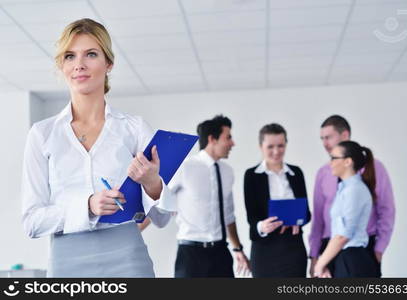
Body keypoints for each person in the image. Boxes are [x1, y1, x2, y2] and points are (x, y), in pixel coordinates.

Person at [21, 18, 175, 277]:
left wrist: (152, 183)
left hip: (128, 258)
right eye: (70, 56)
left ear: (109, 63)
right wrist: (88, 206)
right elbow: (32, 221)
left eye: (91, 54)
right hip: (67, 263)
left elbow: (162, 218)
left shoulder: (134, 128)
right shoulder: (42, 134)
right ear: (62, 65)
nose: (79, 64)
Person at [309, 115, 395, 277]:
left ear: (344, 135)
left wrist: (379, 250)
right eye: (322, 138)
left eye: (328, 137)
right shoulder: (339, 183)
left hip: (353, 252)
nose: (324, 143)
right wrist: (316, 256)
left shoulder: (355, 188)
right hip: (333, 250)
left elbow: (344, 234)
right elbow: (319, 218)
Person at [170, 115, 250, 277]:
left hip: (221, 253)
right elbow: (157, 198)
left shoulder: (227, 172)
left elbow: (228, 216)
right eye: (228, 137)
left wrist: (238, 248)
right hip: (191, 255)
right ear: (212, 139)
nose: (232, 143)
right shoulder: (185, 168)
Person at [243, 123, 311, 277]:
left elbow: (307, 213)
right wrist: (262, 226)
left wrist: (297, 220)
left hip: (293, 249)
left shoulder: (296, 173)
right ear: (261, 146)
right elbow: (252, 218)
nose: (276, 151)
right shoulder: (252, 176)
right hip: (264, 250)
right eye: (270, 147)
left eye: (280, 146)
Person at [314, 141, 379, 277]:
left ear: (348, 162)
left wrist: (320, 264)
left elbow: (343, 235)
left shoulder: (354, 190)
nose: (330, 163)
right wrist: (326, 263)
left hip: (353, 261)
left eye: (334, 158)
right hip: (343, 258)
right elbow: (337, 234)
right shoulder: (344, 189)